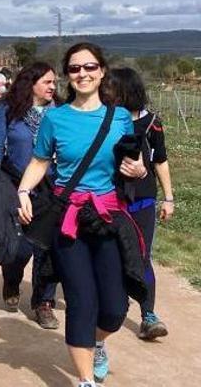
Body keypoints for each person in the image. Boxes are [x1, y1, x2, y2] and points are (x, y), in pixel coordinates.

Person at [17, 43, 148, 387]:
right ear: (68, 75)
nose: (83, 74)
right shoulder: (55, 118)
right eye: (75, 68)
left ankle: (98, 342)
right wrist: (23, 191)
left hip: (107, 217)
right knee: (80, 300)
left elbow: (135, 161)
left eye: (90, 67)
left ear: (102, 71)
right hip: (69, 219)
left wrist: (138, 170)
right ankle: (85, 380)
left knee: (115, 308)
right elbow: (40, 161)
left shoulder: (119, 117)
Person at [103, 67, 174, 341]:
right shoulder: (104, 119)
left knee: (143, 255)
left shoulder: (152, 123)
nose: (105, 91)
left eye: (111, 87)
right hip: (110, 198)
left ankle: (149, 315)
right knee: (112, 254)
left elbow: (161, 161)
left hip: (142, 200)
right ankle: (111, 307)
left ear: (125, 90)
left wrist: (168, 198)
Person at [0, 62, 61, 328]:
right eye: (47, 82)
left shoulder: (62, 113)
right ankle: (11, 279)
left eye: (54, 82)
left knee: (48, 248)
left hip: (51, 188)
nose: (53, 86)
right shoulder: (9, 111)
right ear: (31, 83)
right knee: (19, 247)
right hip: (15, 184)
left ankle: (43, 303)